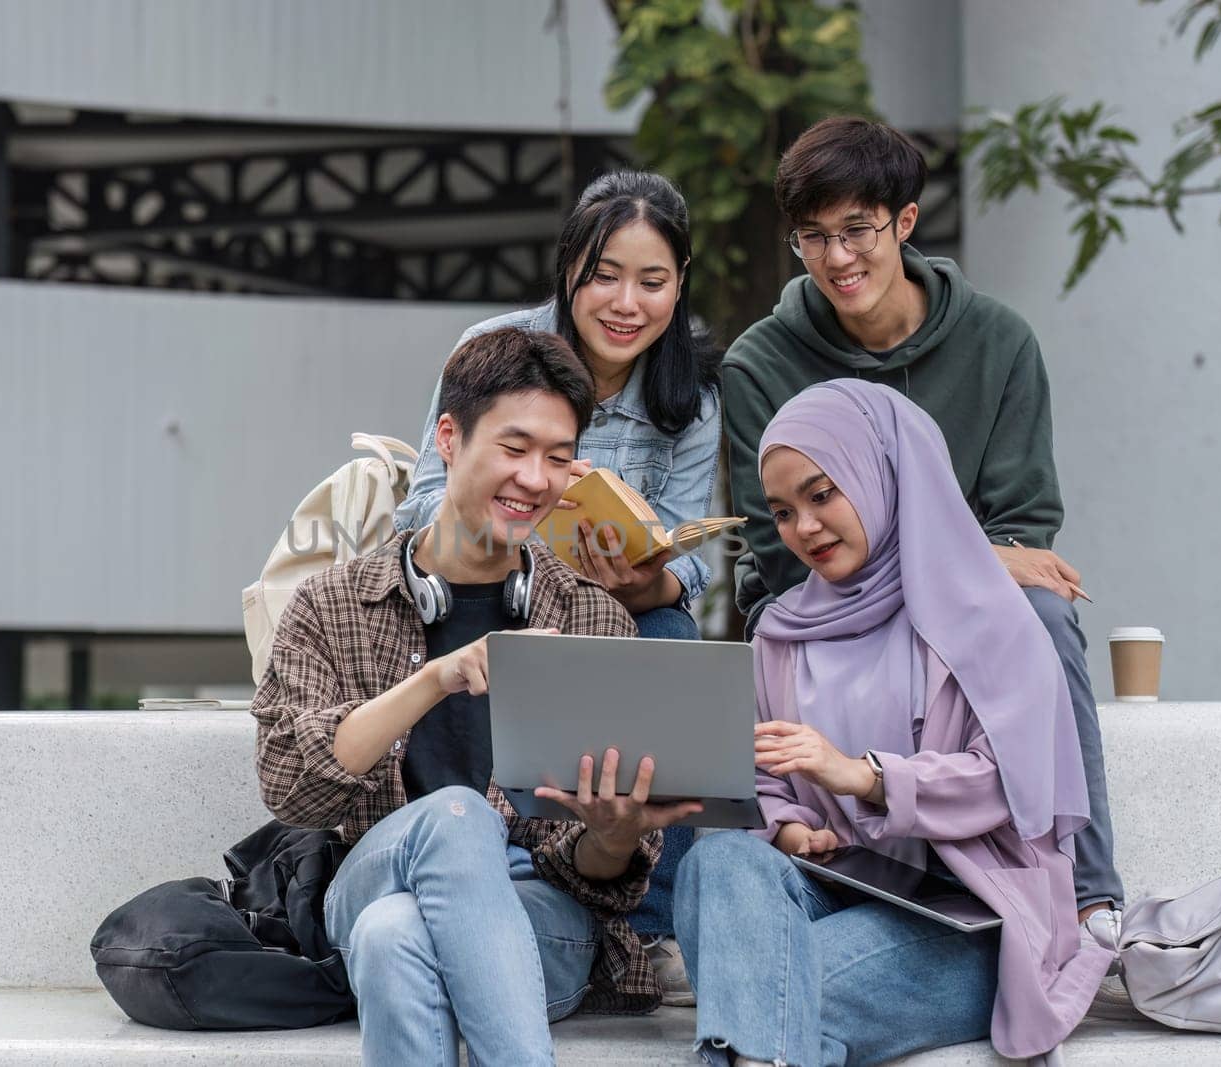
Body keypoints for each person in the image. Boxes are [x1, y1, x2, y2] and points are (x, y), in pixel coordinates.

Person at [251, 327, 700, 1066]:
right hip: (371, 875)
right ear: (450, 438)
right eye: (515, 448)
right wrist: (437, 676)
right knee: (456, 818)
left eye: (558, 458)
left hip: (539, 916)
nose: (535, 477)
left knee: (395, 936)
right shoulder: (330, 603)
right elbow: (290, 790)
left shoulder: (591, 616)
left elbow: (604, 875)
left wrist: (614, 835)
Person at [721, 117, 1124, 933]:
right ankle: (823, 855)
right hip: (815, 599)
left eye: (858, 230)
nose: (838, 259)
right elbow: (783, 550)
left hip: (963, 615)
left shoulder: (998, 342)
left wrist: (968, 568)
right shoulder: (758, 364)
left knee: (1046, 615)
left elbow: (1025, 530)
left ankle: (1087, 892)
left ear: (905, 222)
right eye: (813, 237)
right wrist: (970, 557)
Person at [675, 380, 1112, 1066]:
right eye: (783, 511)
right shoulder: (783, 635)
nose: (805, 528)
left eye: (823, 494)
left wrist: (864, 776)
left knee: (761, 988)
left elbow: (1009, 783)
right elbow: (764, 774)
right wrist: (789, 825)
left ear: (883, 475)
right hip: (829, 893)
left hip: (968, 924)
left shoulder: (992, 619)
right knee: (720, 859)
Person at [393, 169, 721, 996]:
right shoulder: (497, 351)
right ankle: (489, 861)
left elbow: (693, 558)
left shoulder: (692, 393)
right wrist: (526, 535)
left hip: (614, 613)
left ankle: (649, 927)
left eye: (653, 281)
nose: (626, 302)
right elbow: (422, 504)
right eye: (604, 274)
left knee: (675, 643)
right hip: (493, 591)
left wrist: (648, 582)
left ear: (680, 283)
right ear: (569, 265)